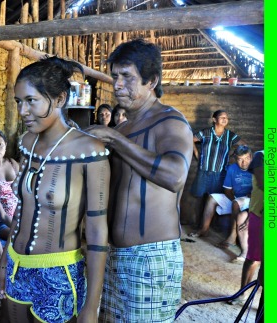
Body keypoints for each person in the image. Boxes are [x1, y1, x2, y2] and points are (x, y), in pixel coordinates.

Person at [0, 56, 110, 323]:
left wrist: (91, 306)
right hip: (16, 266)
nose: (22, 111)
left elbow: (96, 231)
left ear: (58, 99)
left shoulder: (91, 152)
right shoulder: (26, 143)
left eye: (31, 101)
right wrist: (3, 264)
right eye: (18, 102)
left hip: (58, 273)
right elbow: (21, 210)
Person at [86, 39, 193, 322]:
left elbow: (175, 176)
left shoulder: (170, 122)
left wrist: (114, 139)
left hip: (151, 258)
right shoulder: (124, 128)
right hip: (113, 255)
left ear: (151, 81)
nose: (118, 84)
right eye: (115, 77)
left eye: (127, 77)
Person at [188, 146, 253, 253]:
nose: (243, 162)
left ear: (251, 157)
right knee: (212, 198)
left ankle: (232, 237)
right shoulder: (232, 168)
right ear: (236, 159)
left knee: (236, 204)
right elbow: (227, 190)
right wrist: (234, 201)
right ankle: (204, 229)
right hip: (235, 198)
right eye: (240, 159)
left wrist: (237, 202)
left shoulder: (257, 168)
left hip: (249, 199)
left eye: (246, 158)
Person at [190, 110, 244, 226]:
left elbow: (244, 145)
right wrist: (196, 152)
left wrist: (234, 155)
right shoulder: (206, 133)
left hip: (220, 174)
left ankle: (210, 226)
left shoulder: (230, 135)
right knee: (199, 198)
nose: (225, 119)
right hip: (203, 172)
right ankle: (197, 224)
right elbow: (190, 139)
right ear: (214, 119)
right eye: (222, 117)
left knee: (214, 200)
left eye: (226, 117)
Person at [228, 150, 263, 306]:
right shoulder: (260, 156)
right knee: (253, 259)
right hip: (260, 215)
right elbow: (263, 184)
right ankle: (242, 294)